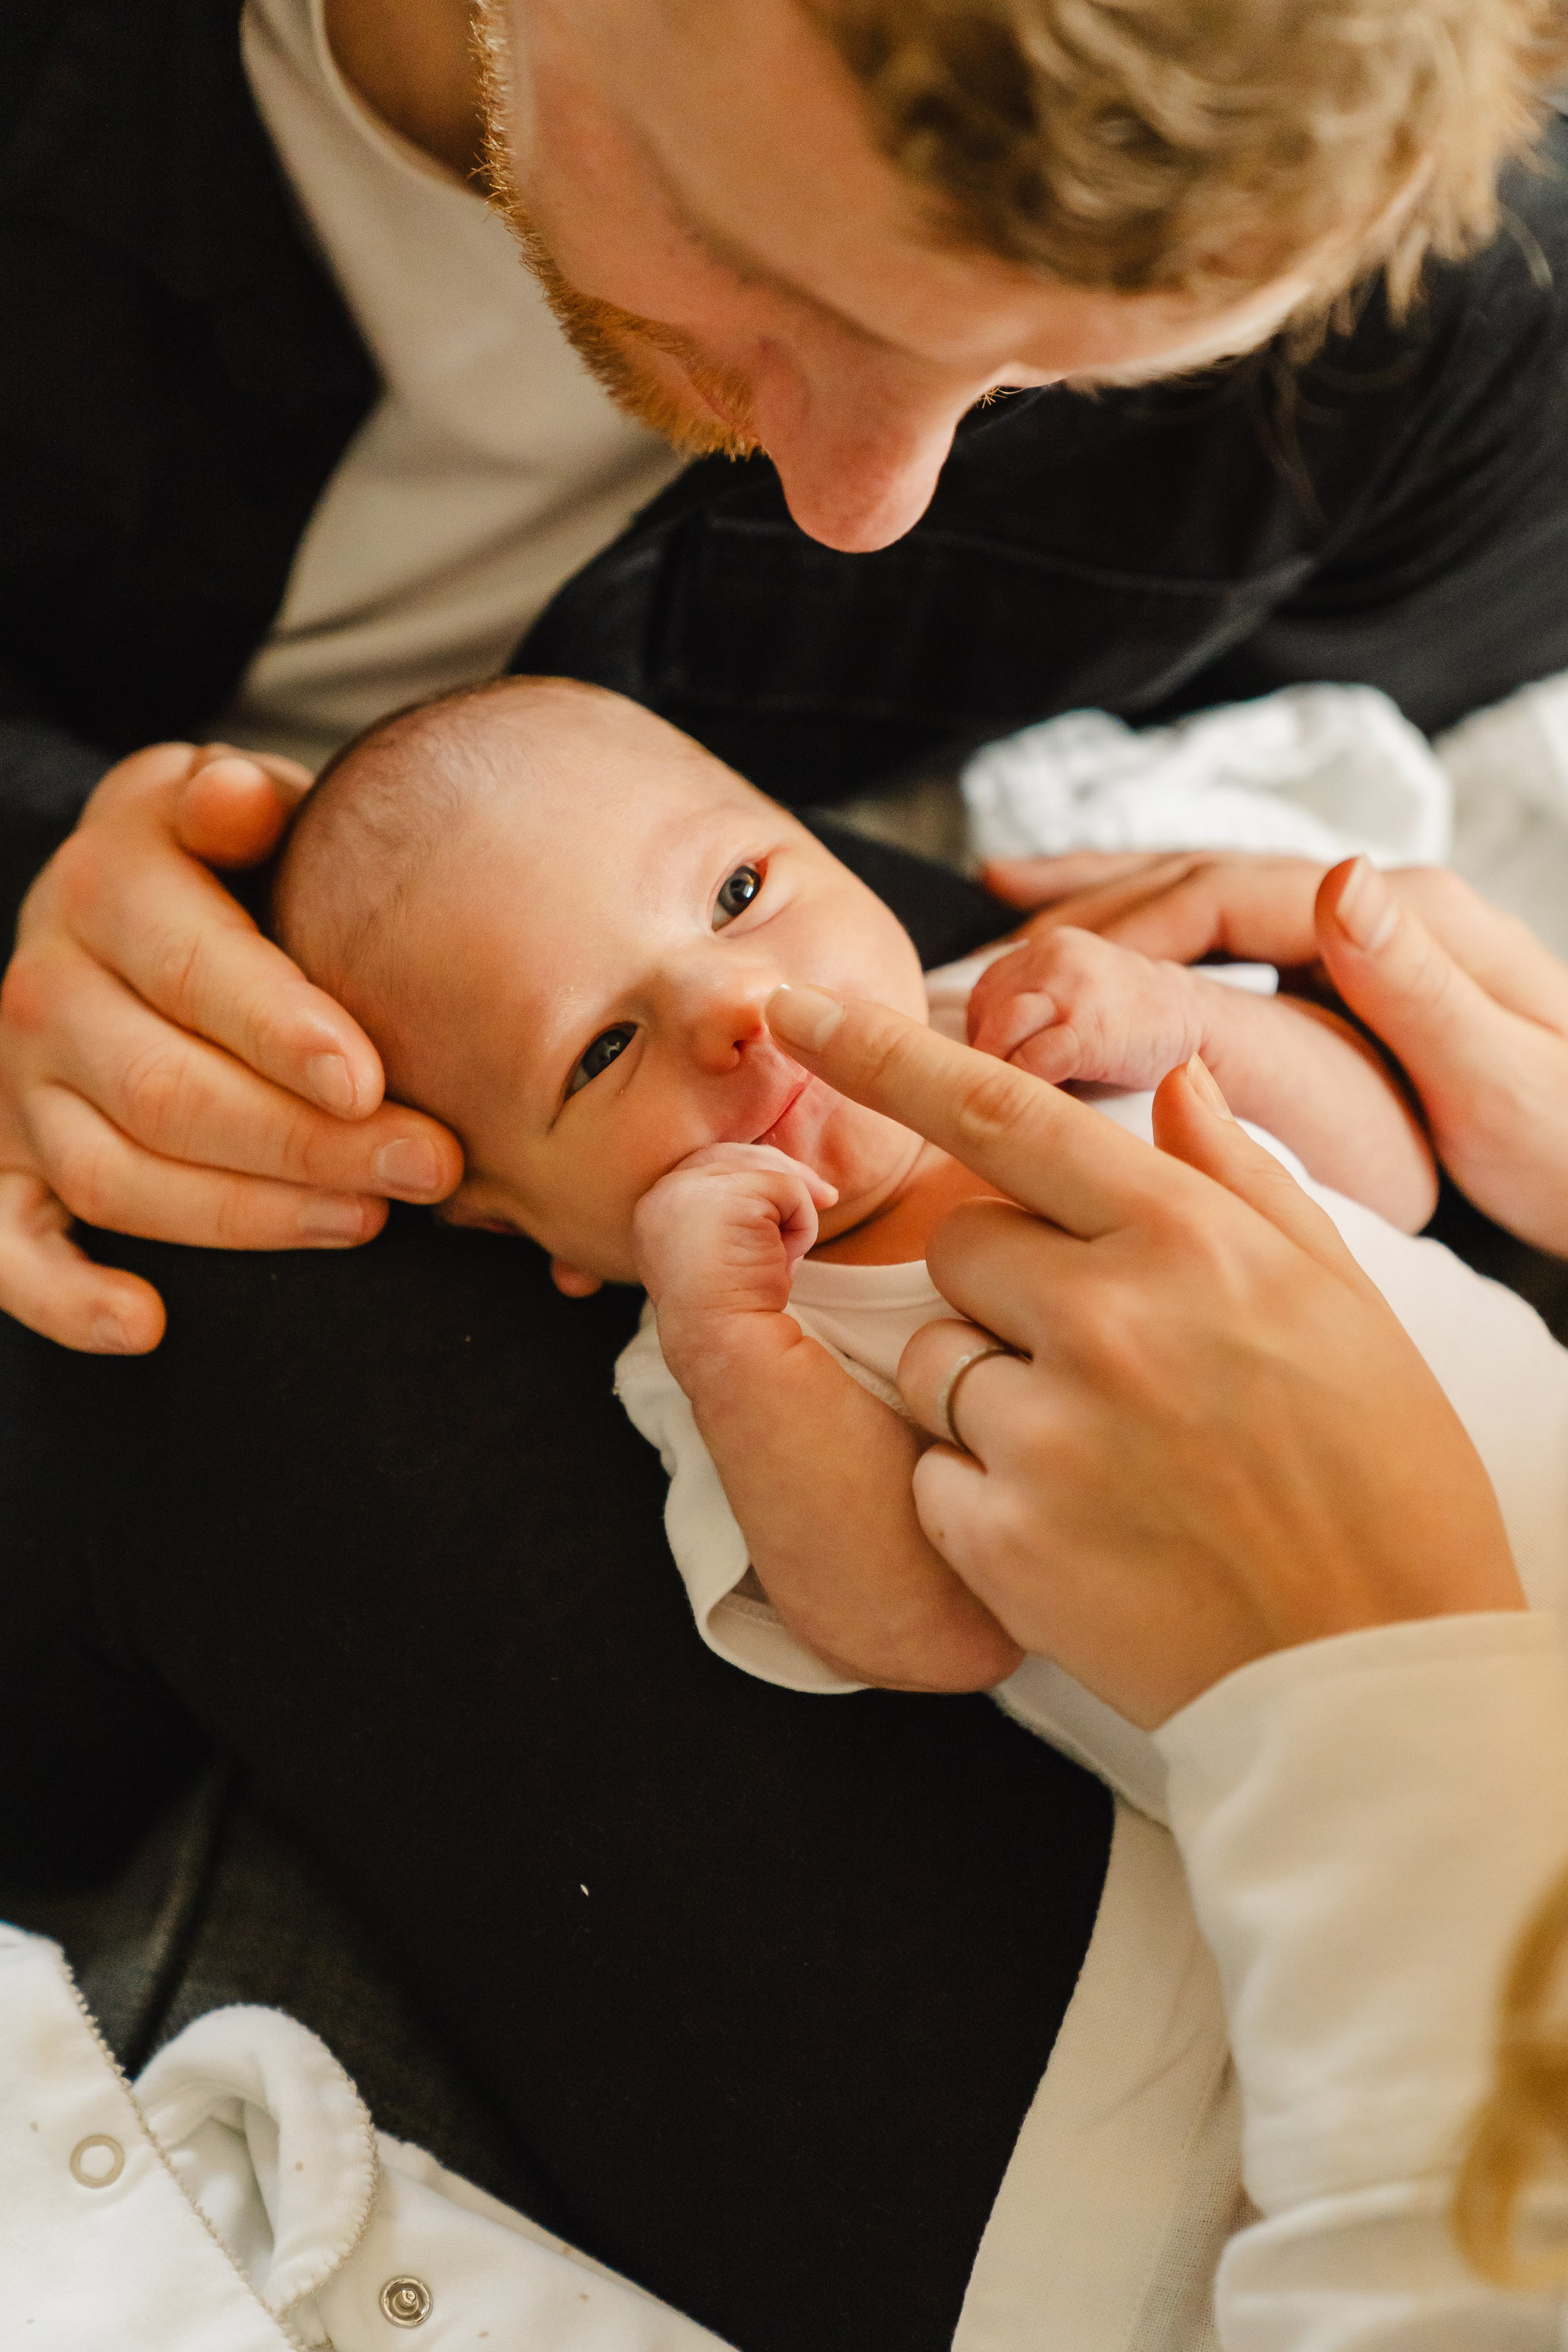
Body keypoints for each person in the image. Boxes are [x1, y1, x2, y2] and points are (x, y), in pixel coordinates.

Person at [7, 4, 1568, 2345]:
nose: (867, 490)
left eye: (1063, 375)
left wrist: (1231, 1056)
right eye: (772, 272)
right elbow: (886, 1614)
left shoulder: (1428, 352)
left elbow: (1375, 1165)